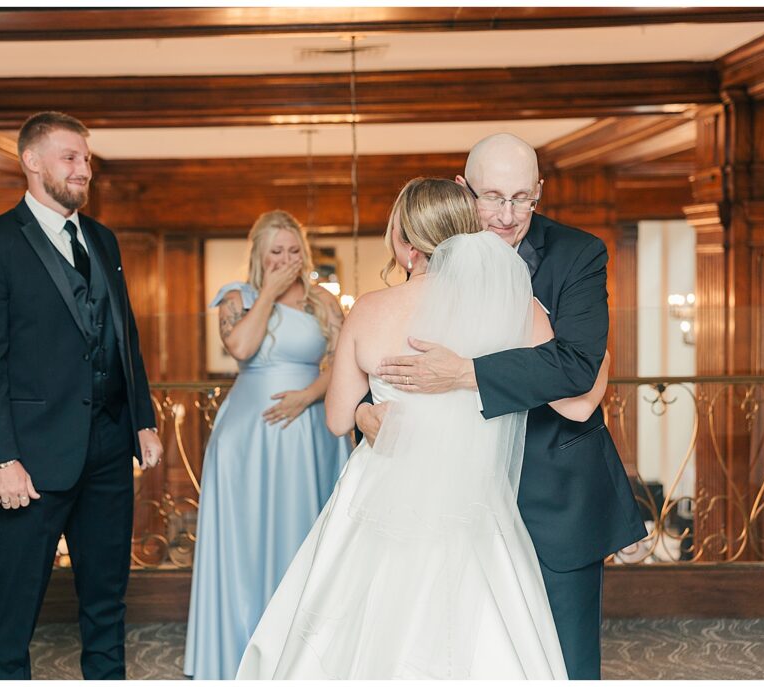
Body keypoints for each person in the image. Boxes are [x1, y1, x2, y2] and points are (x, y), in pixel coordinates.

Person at [237, 177, 609, 679]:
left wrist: (368, 414)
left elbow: (336, 419)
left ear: (404, 240)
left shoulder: (369, 310)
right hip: (473, 499)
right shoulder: (513, 307)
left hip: (380, 498)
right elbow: (579, 400)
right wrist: (598, 351)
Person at [368, 135, 646, 679]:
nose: (506, 215)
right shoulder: (433, 251)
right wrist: (361, 413)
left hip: (554, 493)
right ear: (461, 188)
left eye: (523, 198)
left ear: (540, 192)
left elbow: (576, 368)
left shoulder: (578, 254)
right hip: (449, 501)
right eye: (491, 197)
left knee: (565, 666)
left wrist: (466, 373)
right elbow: (386, 356)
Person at [0, 111, 163, 680]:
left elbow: (124, 334)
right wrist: (0, 458)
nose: (83, 169)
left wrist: (141, 417)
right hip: (28, 458)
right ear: (32, 160)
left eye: (86, 159)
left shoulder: (102, 238)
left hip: (108, 451)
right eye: (71, 157)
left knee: (106, 603)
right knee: (13, 608)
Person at [184, 210, 351, 679]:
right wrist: (270, 296)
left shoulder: (323, 303)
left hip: (311, 432)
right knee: (247, 540)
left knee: (305, 536)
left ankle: (303, 658)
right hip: (248, 438)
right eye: (275, 251)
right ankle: (242, 651)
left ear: (305, 250)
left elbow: (340, 366)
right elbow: (240, 348)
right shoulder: (237, 298)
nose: (286, 259)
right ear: (258, 254)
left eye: (293, 249)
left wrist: (307, 396)